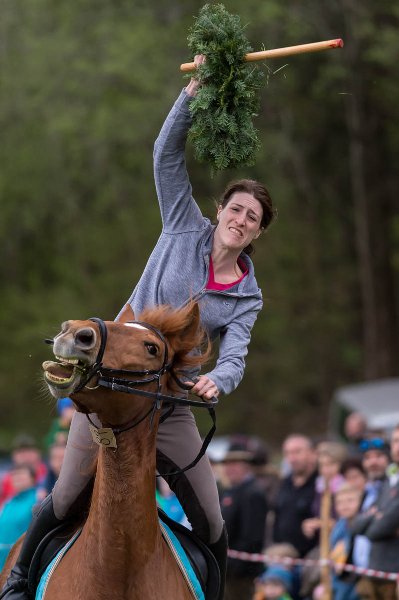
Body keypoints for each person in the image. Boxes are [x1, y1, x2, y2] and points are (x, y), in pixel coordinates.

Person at [2, 55, 275, 600]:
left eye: (252, 219)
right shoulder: (180, 224)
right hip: (112, 391)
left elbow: (236, 354)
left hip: (170, 402)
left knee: (215, 524)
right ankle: (15, 583)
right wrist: (191, 97)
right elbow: (164, 156)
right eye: (236, 208)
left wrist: (220, 379)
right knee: (61, 499)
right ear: (219, 209)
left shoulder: (248, 297)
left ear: (257, 234)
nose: (240, 220)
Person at [351, 432, 399, 600]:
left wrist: (374, 519)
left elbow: (376, 530)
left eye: (378, 456)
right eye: (368, 457)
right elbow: (355, 527)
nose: (373, 462)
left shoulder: (392, 482)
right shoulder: (381, 486)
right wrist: (375, 518)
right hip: (368, 572)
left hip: (391, 573)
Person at [219, 442, 269, 600]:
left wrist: (232, 566)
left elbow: (252, 537)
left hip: (241, 574)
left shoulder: (252, 493)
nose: (230, 468)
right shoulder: (231, 491)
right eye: (227, 464)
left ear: (247, 466)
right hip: (227, 568)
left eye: (235, 464)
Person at [273, 434, 318, 557]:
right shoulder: (284, 483)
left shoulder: (321, 484)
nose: (292, 458)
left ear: (313, 453)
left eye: (297, 452)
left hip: (311, 557)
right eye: (287, 453)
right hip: (282, 554)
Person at [0, 465, 39, 571]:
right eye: (14, 476)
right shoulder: (8, 502)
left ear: (32, 478)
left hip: (21, 565)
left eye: (21, 475)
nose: (17, 479)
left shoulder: (39, 498)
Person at [0, 435, 47, 509]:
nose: (25, 456)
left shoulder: (48, 473)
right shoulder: (7, 479)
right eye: (20, 452)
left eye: (29, 451)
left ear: (38, 453)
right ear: (13, 456)